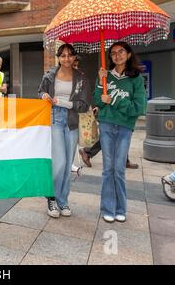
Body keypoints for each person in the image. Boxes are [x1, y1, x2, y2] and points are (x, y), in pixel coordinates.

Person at [93, 41, 146, 223]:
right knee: (108, 169)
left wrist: (114, 100)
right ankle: (108, 207)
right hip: (106, 125)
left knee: (119, 170)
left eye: (121, 52)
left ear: (129, 54)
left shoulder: (136, 79)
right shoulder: (105, 76)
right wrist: (101, 84)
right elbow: (97, 102)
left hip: (124, 128)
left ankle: (120, 208)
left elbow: (139, 108)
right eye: (113, 53)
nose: (117, 55)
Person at [38, 43, 90, 218]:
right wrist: (44, 95)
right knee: (59, 162)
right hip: (54, 119)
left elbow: (83, 105)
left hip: (72, 120)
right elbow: (41, 92)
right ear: (58, 58)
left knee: (68, 164)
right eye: (63, 55)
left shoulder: (81, 78)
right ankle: (51, 197)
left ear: (74, 57)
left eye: (70, 55)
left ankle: (63, 200)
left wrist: (64, 103)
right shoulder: (50, 75)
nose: (66, 58)